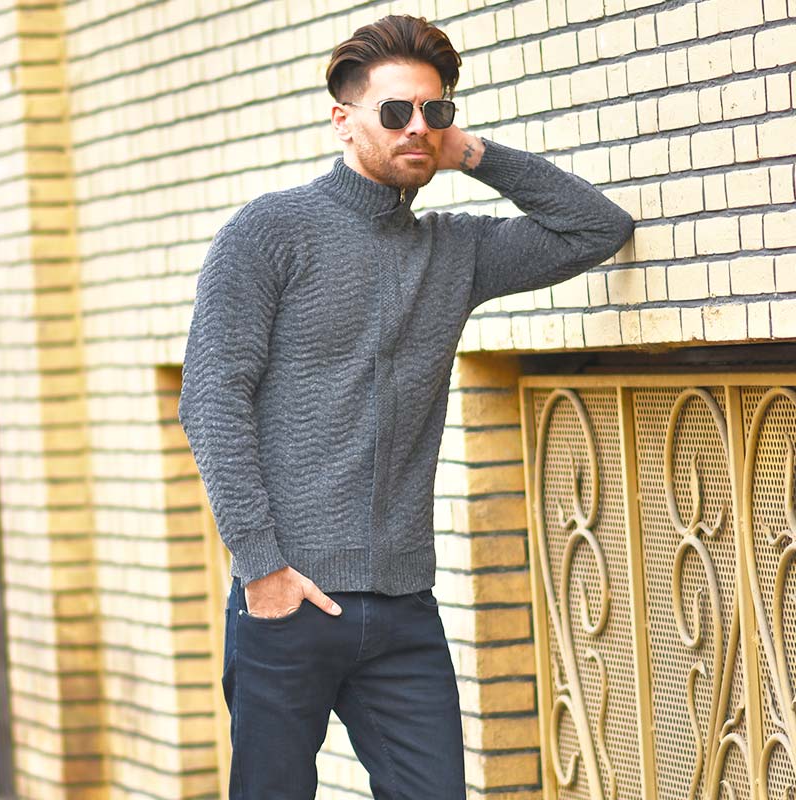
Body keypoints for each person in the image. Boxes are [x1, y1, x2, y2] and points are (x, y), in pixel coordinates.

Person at [178, 13, 635, 799]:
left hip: (402, 611)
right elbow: (212, 399)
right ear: (343, 120)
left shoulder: (454, 250)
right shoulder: (268, 233)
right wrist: (263, 568)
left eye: (435, 111)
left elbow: (596, 228)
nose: (416, 127)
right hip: (287, 600)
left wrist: (474, 155)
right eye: (394, 112)